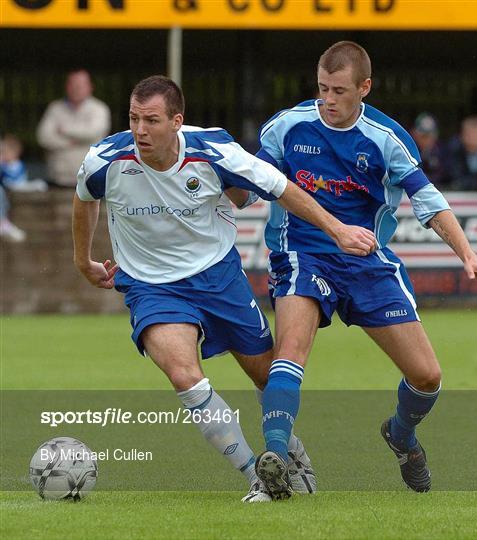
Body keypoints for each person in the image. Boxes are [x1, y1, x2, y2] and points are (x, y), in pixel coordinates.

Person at [72, 75, 376, 502]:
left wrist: (339, 229)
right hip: (151, 286)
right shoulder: (105, 160)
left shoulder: (215, 152)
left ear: (177, 121)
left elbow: (283, 189)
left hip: (219, 278)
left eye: (152, 120)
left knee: (266, 376)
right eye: (134, 118)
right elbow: (84, 198)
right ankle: (257, 475)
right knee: (184, 375)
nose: (140, 130)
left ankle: (292, 452)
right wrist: (82, 261)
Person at [253, 41, 477, 499]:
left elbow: (428, 201)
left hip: (367, 263)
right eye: (322, 88)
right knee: (289, 351)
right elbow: (251, 185)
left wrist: (468, 255)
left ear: (364, 88)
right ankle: (274, 461)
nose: (327, 99)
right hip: (301, 254)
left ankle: (401, 435)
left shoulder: (386, 139)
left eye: (339, 91)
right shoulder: (286, 127)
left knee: (427, 376)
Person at [37, 69, 111, 187]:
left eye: (80, 85)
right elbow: (44, 137)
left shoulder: (99, 109)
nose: (76, 88)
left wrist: (64, 130)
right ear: (67, 87)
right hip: (58, 179)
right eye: (73, 84)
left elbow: (93, 132)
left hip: (90, 180)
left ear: (90, 87)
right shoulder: (55, 108)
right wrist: (69, 143)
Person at [410, 113, 447, 189]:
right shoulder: (408, 152)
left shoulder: (443, 152)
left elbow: (446, 177)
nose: (426, 140)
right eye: (423, 136)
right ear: (414, 134)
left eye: (429, 135)